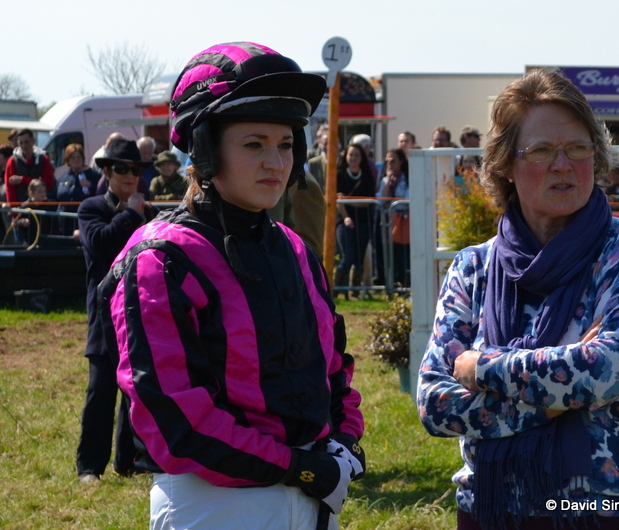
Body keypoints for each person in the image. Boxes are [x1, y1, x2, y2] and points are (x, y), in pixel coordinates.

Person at [98, 41, 365, 530]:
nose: (276, 162)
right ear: (205, 150)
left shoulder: (295, 249)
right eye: (254, 144)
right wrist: (298, 466)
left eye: (285, 144)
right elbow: (175, 421)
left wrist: (345, 440)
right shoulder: (161, 259)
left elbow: (333, 368)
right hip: (213, 504)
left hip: (311, 497)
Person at [417, 68, 619, 530]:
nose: (563, 164)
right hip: (489, 507)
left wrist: (483, 368)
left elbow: (605, 370)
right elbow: (435, 403)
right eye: (541, 150)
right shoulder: (473, 268)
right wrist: (556, 396)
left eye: (578, 148)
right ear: (505, 166)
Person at [75, 138, 158, 484]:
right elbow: (101, 244)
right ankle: (89, 467)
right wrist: (131, 214)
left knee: (136, 390)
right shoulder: (91, 208)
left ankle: (130, 460)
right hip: (104, 314)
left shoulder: (148, 213)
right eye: (122, 169)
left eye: (136, 170)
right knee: (101, 390)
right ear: (107, 172)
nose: (130, 176)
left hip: (138, 312)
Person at [335, 143, 376, 298]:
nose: (353, 158)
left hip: (364, 221)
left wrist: (348, 201)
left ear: (362, 158)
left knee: (359, 259)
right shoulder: (339, 174)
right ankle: (334, 291)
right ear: (346, 156)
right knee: (348, 257)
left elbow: (370, 200)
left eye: (356, 155)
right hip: (344, 221)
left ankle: (354, 292)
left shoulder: (366, 176)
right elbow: (338, 200)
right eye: (350, 154)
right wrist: (346, 216)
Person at [377, 148, 410, 287]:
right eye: (387, 162)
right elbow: (380, 200)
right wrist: (388, 181)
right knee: (388, 254)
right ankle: (391, 283)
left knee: (402, 254)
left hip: (402, 222)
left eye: (393, 161)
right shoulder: (385, 180)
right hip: (387, 222)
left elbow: (407, 199)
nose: (389, 164)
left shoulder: (407, 179)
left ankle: (404, 283)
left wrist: (392, 204)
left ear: (401, 162)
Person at [4, 128, 55, 204]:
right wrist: (14, 208)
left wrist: (22, 180)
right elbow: (10, 188)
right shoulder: (13, 161)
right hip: (21, 207)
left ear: (33, 141)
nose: (24, 146)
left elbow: (49, 183)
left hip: (42, 206)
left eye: (26, 142)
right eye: (21, 143)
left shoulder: (44, 159)